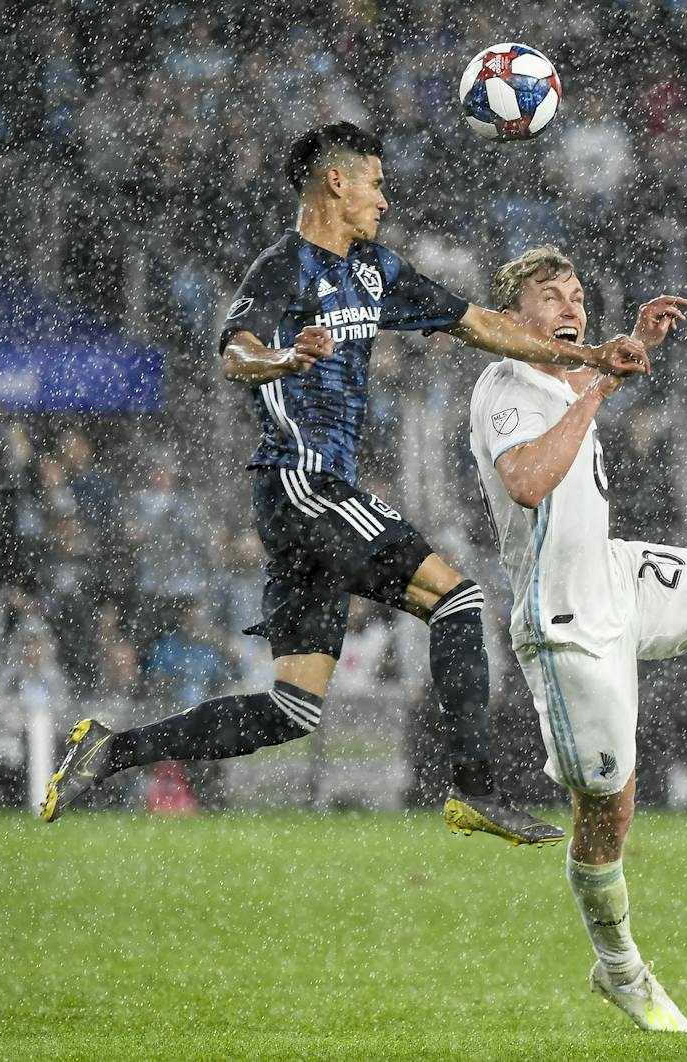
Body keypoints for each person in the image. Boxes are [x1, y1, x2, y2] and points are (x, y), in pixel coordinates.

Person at [41, 123, 649, 846]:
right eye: (376, 182)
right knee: (458, 599)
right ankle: (476, 789)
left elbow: (481, 323)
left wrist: (587, 355)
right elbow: (235, 355)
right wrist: (281, 360)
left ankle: (109, 749)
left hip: (311, 500)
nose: (384, 198)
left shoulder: (374, 273)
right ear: (337, 182)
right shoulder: (282, 270)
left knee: (291, 710)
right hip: (305, 484)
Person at [468, 247, 687, 1033]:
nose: (570, 307)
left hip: (618, 575)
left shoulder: (569, 374)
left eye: (578, 295)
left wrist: (624, 355)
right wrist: (601, 383)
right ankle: (619, 969)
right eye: (549, 296)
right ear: (512, 317)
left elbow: (586, 385)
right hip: (564, 623)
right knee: (607, 814)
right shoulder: (503, 385)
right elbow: (525, 479)